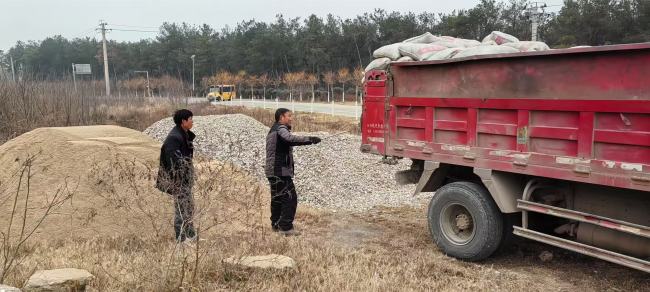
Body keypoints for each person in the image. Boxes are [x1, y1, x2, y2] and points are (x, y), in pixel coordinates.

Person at [265, 108, 321, 236]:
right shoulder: (280, 129)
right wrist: (310, 139)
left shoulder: (273, 130)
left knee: (277, 199)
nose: (291, 118)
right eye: (289, 116)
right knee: (290, 198)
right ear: (281, 117)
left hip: (272, 171)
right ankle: (285, 228)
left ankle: (276, 225)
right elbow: (289, 139)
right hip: (280, 171)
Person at [156, 109, 197, 242]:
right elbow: (174, 161)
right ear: (183, 121)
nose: (192, 121)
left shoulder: (184, 134)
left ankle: (190, 236)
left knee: (188, 208)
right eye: (190, 119)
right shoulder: (174, 138)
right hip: (179, 181)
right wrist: (181, 176)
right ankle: (181, 239)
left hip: (185, 180)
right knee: (181, 209)